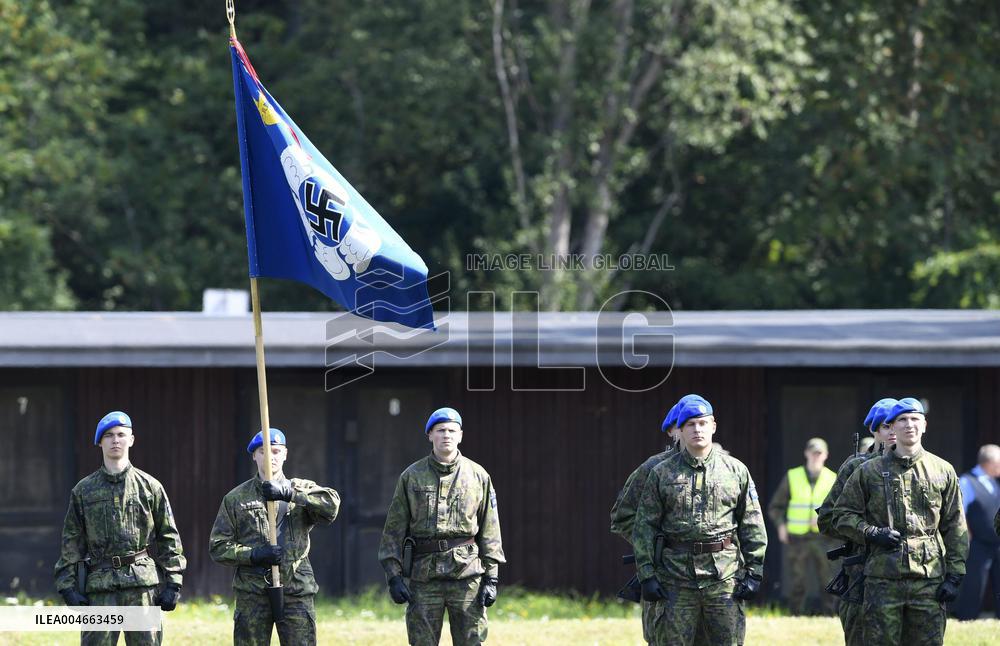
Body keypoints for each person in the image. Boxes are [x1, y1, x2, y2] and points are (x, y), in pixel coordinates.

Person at [833, 398, 969, 646]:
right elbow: (841, 516)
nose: (909, 425)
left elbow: (955, 525)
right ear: (892, 427)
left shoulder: (942, 470)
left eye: (915, 419)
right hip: (882, 579)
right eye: (902, 420)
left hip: (928, 580)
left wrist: (955, 575)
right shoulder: (868, 470)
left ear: (925, 425)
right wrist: (871, 532)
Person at [634, 396, 768, 645]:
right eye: (691, 425)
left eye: (703, 423)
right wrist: (647, 574)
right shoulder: (661, 473)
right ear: (681, 431)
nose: (697, 429)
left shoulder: (736, 470)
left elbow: (752, 523)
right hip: (676, 580)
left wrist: (754, 572)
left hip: (724, 579)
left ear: (713, 426)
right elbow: (644, 526)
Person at [53, 411, 186, 646]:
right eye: (109, 435)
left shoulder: (150, 487)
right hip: (101, 587)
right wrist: (67, 587)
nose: (116, 440)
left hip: (141, 587)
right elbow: (71, 541)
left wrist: (173, 581)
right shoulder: (83, 491)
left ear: (131, 439)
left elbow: (168, 536)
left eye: (121, 435)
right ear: (100, 442)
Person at [378, 407, 505, 646]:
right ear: (430, 435)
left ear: (460, 435)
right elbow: (394, 530)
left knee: (471, 641)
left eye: (451, 430)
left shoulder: (478, 476)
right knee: (421, 641)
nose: (446, 435)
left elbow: (490, 528)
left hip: (467, 576)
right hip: (425, 577)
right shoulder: (411, 476)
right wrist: (393, 577)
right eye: (440, 430)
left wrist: (492, 578)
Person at [209, 428, 340, 646]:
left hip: (295, 590)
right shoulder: (236, 498)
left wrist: (291, 494)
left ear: (285, 454)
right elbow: (218, 547)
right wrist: (254, 555)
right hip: (252, 593)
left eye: (276, 451)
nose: (270, 457)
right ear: (254, 455)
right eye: (263, 451)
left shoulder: (301, 488)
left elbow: (332, 505)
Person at [609, 395, 697, 643]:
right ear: (673, 432)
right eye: (682, 425)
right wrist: (653, 545)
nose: (689, 429)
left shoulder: (721, 466)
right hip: (665, 572)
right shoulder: (653, 468)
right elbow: (621, 516)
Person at [816, 398, 896, 646]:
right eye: (886, 426)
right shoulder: (856, 466)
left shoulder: (921, 466)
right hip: (863, 574)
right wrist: (866, 530)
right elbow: (828, 519)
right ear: (874, 430)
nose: (893, 431)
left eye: (898, 423)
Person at [768, 437, 838, 614]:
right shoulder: (793, 476)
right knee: (797, 580)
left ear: (826, 455)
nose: (816, 456)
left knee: (827, 579)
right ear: (806, 453)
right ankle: (796, 614)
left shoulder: (833, 478)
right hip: (797, 538)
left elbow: (842, 509)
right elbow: (775, 506)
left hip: (824, 538)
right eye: (813, 452)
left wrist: (825, 519)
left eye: (819, 453)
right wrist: (781, 526)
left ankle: (829, 616)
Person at [953, 444, 1000, 619]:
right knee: (975, 584)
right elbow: (960, 512)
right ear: (990, 462)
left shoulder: (995, 482)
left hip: (997, 544)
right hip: (978, 544)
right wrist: (967, 537)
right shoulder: (967, 481)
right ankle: (967, 619)